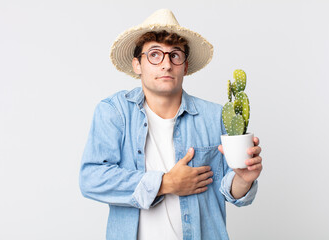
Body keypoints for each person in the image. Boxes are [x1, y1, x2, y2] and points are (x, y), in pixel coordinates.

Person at [79, 9, 263, 240]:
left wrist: (244, 179)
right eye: (155, 54)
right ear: (137, 64)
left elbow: (231, 191)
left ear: (185, 66)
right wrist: (165, 183)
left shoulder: (215, 116)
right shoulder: (115, 112)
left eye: (175, 55)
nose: (166, 64)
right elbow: (91, 179)